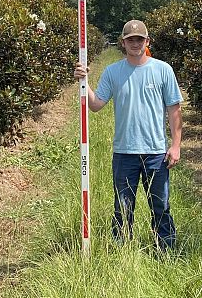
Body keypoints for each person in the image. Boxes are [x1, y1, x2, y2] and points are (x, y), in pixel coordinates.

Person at [74, 19, 183, 250]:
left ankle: (166, 250)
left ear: (147, 41)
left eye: (139, 39)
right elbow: (96, 105)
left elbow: (174, 110)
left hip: (156, 153)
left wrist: (175, 146)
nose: (135, 43)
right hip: (124, 153)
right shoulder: (113, 72)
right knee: (123, 207)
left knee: (161, 206)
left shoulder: (163, 70)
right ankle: (121, 251)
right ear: (123, 43)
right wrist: (84, 82)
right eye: (130, 39)